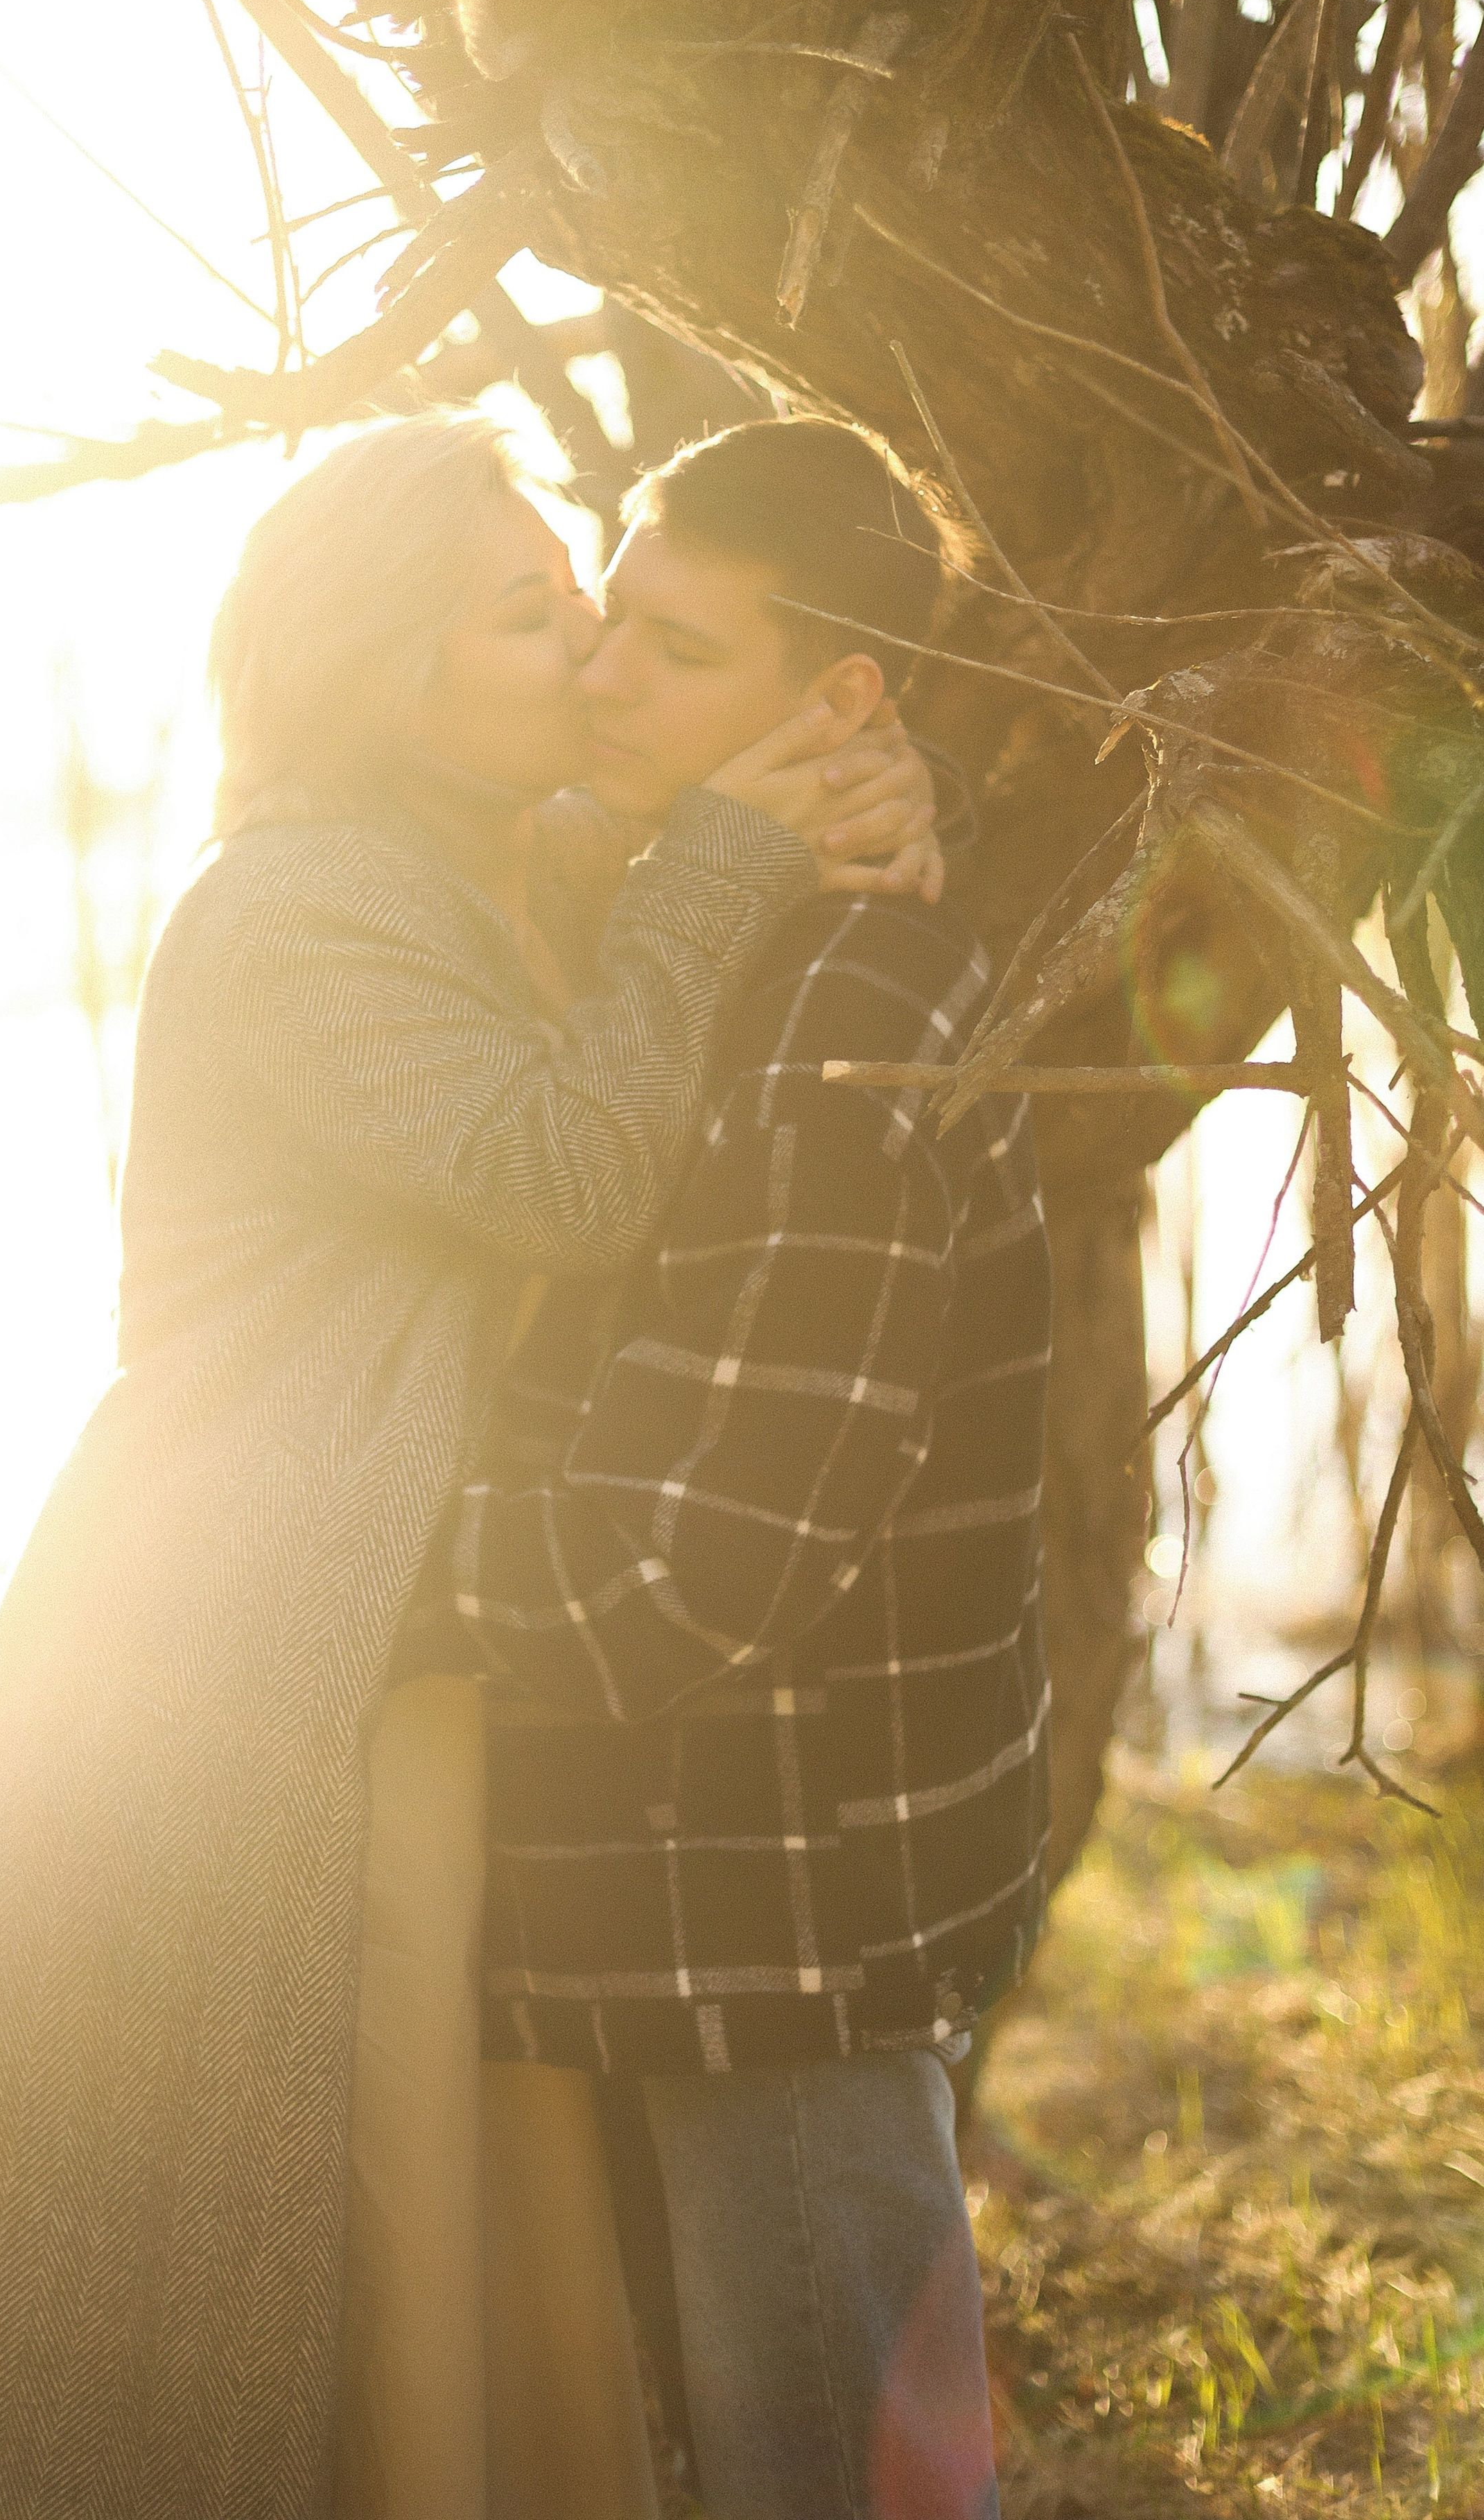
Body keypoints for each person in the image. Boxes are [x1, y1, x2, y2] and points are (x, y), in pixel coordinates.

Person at [0, 406, 943, 2520]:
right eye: (527, 614)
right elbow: (563, 1167)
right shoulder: (293, 913)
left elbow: (653, 939)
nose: (584, 653)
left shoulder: (491, 862)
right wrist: (742, 853)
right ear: (387, 670)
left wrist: (857, 788)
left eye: (585, 602)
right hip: (206, 1676)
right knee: (220, 2275)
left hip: (365, 1650)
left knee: (428, 2249)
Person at [441, 418, 1054, 2520]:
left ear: (840, 698)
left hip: (778, 1920)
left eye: (677, 653)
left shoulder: (841, 1014)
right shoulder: (727, 930)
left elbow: (701, 1565)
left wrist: (360, 1566)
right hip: (717, 1898)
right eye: (609, 621)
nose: (604, 679)